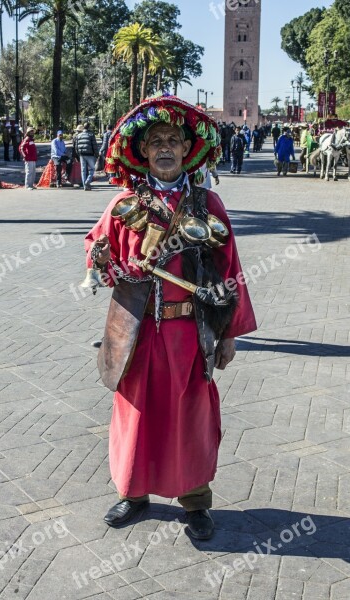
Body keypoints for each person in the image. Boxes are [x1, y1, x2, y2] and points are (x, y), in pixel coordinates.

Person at [84, 95, 256, 540]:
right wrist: (100, 258)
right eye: (155, 140)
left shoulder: (207, 206)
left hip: (188, 332)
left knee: (191, 415)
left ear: (185, 150)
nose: (164, 147)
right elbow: (96, 250)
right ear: (143, 151)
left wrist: (230, 334)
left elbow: (230, 271)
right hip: (135, 330)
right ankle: (133, 492)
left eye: (172, 141)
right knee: (135, 412)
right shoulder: (125, 203)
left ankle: (196, 501)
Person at [74, 122, 99, 191]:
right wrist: (96, 154)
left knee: (83, 170)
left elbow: (76, 147)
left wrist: (78, 154)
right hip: (90, 154)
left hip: (82, 154)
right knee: (92, 169)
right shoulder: (91, 134)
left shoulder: (79, 135)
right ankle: (87, 181)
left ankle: (85, 185)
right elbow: (94, 145)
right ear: (89, 127)